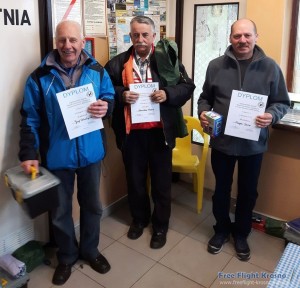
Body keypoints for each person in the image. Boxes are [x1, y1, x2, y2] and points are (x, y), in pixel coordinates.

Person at [18, 20, 115, 285]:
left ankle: (90, 250)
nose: (67, 45)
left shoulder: (96, 69)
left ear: (82, 42)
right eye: (62, 40)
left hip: (91, 154)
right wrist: (28, 152)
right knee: (60, 211)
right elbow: (29, 117)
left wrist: (106, 106)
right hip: (57, 156)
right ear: (55, 42)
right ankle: (67, 256)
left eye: (73, 40)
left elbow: (109, 96)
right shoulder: (39, 77)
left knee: (93, 206)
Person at [198, 18, 290, 261]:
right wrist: (203, 113)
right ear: (230, 38)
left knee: (248, 192)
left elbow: (282, 102)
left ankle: (241, 233)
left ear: (256, 37)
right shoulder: (215, 66)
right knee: (221, 190)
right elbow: (204, 98)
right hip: (222, 142)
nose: (242, 40)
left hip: (253, 145)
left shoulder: (270, 67)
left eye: (247, 35)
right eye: (237, 36)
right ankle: (221, 230)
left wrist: (271, 115)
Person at [104, 16, 195, 249]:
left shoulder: (167, 59)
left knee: (161, 183)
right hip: (131, 134)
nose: (140, 39)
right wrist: (121, 93)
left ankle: (161, 226)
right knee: (134, 181)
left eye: (145, 34)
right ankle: (139, 219)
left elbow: (187, 87)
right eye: (136, 35)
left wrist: (168, 94)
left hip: (159, 134)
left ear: (154, 36)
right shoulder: (117, 63)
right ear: (130, 36)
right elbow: (103, 89)